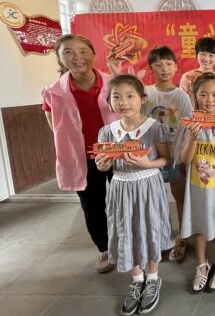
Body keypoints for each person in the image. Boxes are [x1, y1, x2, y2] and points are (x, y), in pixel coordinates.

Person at [95, 74, 172, 315]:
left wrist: (148, 164)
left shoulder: (155, 128)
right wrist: (102, 165)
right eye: (116, 97)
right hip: (120, 189)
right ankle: (137, 280)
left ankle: (153, 278)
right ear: (109, 101)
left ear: (142, 99)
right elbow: (103, 166)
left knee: (150, 227)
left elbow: (166, 159)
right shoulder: (107, 132)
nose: (123, 102)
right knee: (126, 230)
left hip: (149, 187)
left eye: (130, 96)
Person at [42, 34, 118, 274]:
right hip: (83, 159)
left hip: (117, 154)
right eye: (68, 52)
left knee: (126, 200)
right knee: (92, 206)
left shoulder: (113, 83)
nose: (77, 57)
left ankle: (130, 242)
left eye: (83, 51)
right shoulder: (54, 92)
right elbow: (54, 124)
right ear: (59, 58)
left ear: (93, 54)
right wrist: (73, 145)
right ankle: (105, 248)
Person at [177, 73, 215, 293]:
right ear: (195, 96)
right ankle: (202, 264)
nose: (209, 100)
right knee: (199, 222)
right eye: (203, 94)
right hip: (197, 187)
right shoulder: (190, 124)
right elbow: (185, 159)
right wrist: (192, 137)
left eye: (214, 94)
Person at [143, 46, 193, 262]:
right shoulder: (146, 94)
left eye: (168, 64)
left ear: (175, 67)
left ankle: (182, 237)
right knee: (154, 200)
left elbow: (189, 128)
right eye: (158, 64)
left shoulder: (181, 96)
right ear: (151, 67)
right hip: (151, 157)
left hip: (176, 156)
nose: (164, 68)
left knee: (179, 197)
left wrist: (183, 156)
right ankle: (160, 237)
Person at [179, 37, 215, 112]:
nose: (206, 59)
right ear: (196, 55)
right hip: (194, 119)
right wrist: (192, 91)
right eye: (203, 54)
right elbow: (182, 106)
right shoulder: (187, 77)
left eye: (211, 55)